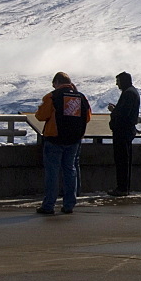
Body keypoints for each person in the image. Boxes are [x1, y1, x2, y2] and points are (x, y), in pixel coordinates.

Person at [35, 72, 91, 215]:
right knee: (70, 171)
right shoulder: (81, 97)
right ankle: (69, 205)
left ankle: (48, 206)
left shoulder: (53, 96)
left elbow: (40, 116)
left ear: (57, 82)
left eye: (54, 84)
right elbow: (88, 117)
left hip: (55, 139)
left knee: (52, 173)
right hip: (74, 140)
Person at [107, 71, 141, 197]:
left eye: (118, 81)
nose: (117, 84)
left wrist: (113, 111)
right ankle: (123, 187)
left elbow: (123, 114)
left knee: (122, 160)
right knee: (124, 160)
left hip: (123, 131)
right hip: (126, 131)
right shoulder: (131, 92)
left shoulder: (128, 94)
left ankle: (122, 188)